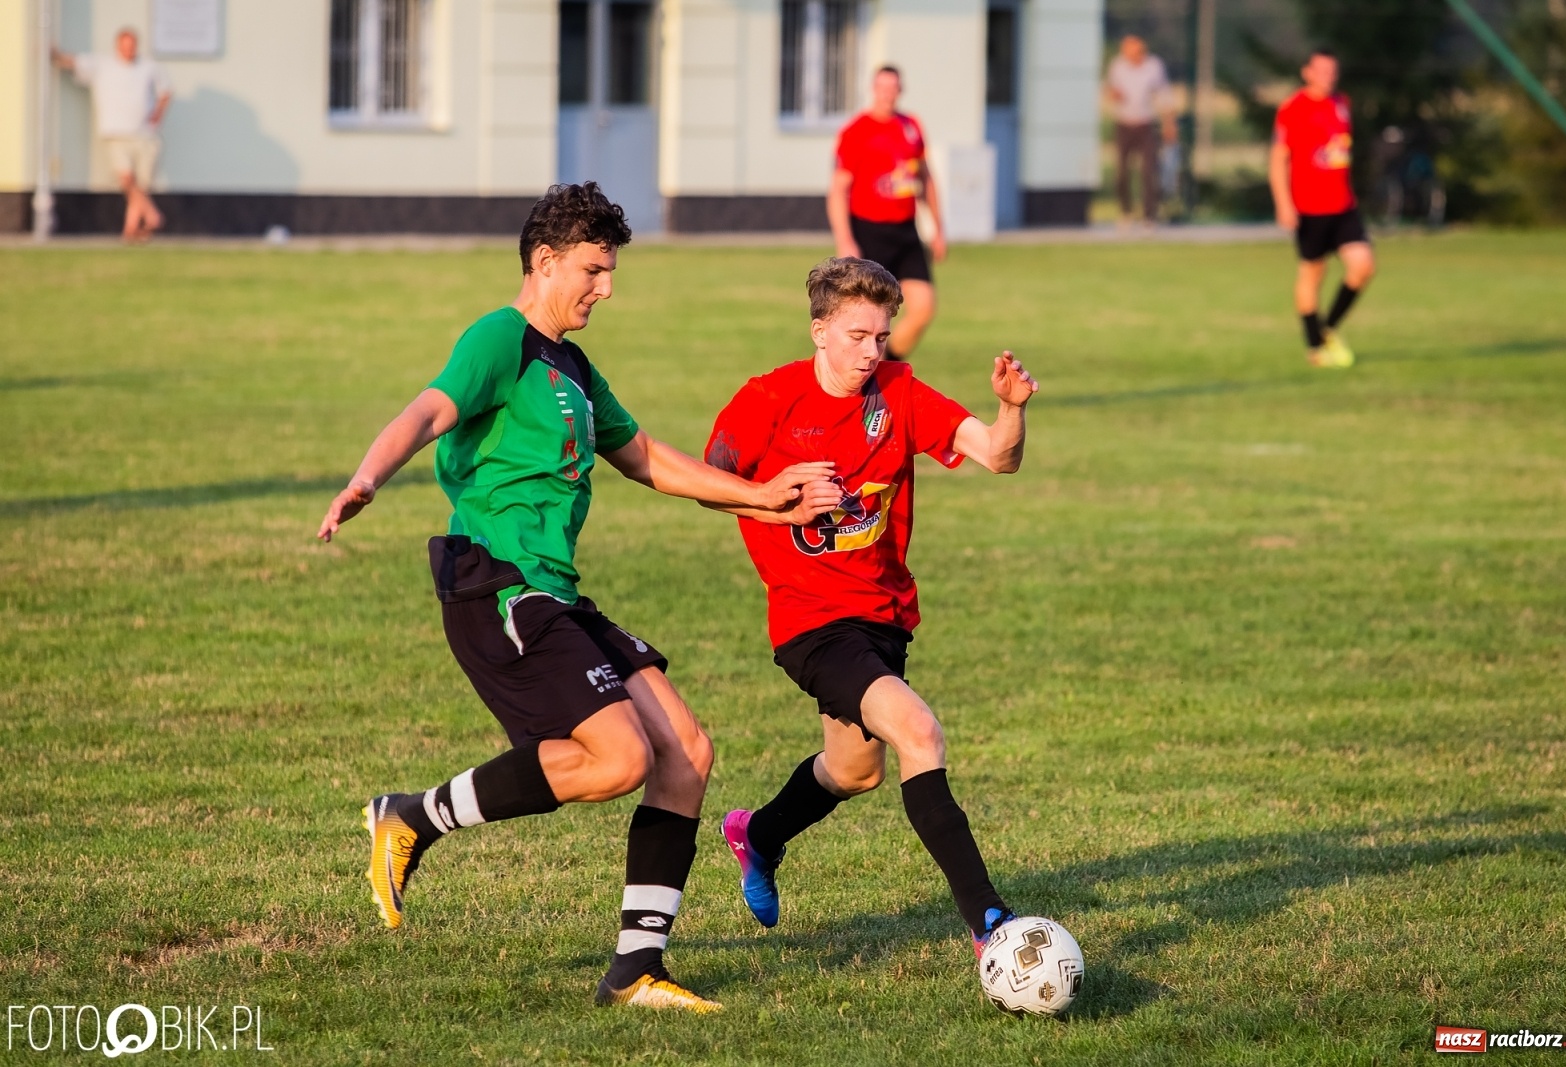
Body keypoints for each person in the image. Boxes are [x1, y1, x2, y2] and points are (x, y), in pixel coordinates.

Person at [317, 183, 839, 1013]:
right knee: (620, 758)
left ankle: (637, 970)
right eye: (594, 269)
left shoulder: (573, 367)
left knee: (687, 752)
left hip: (554, 593)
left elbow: (649, 460)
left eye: (612, 271)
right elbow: (428, 407)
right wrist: (368, 476)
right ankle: (411, 815)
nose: (606, 287)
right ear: (545, 260)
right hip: (497, 586)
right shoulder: (504, 338)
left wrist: (767, 495)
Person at [703, 257, 1040, 959]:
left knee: (856, 770)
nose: (871, 351)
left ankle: (756, 834)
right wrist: (779, 499)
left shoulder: (898, 390)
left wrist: (1011, 408)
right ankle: (990, 923)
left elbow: (998, 458)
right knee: (919, 731)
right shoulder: (768, 399)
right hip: (810, 621)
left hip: (882, 617)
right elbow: (709, 482)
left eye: (881, 337)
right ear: (819, 329)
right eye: (857, 335)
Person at [1269, 48, 1377, 369]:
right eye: (1322, 71)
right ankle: (1315, 346)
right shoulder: (1293, 108)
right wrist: (1283, 204)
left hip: (1343, 204)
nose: (1328, 77)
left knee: (1363, 266)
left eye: (1333, 71)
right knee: (1313, 273)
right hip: (1309, 207)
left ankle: (1327, 328)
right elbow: (1278, 160)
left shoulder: (1342, 104)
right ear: (1307, 72)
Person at [828, 66, 944, 362]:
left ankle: (884, 365)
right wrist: (845, 240)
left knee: (924, 308)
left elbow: (926, 178)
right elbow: (838, 191)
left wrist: (938, 229)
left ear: (900, 91)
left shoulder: (911, 126)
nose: (887, 94)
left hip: (905, 231)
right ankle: (843, 372)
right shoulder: (856, 131)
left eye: (893, 88)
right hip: (868, 231)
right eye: (882, 88)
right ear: (873, 89)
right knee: (866, 316)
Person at [52, 28, 171, 242]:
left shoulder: (148, 67)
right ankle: (153, 215)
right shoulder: (103, 65)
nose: (128, 50)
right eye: (125, 45)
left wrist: (158, 115)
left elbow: (165, 91)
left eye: (132, 45)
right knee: (126, 179)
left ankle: (130, 230)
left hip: (144, 134)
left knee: (141, 186)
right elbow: (73, 62)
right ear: (118, 45)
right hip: (115, 133)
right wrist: (52, 52)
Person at [1104, 35, 1177, 227]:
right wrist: (1114, 95)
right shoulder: (1118, 66)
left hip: (1146, 124)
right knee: (1121, 172)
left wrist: (1169, 124)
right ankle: (1125, 212)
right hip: (1124, 123)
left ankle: (1149, 216)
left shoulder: (1154, 67)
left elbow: (1164, 95)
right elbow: (1110, 90)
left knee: (1148, 171)